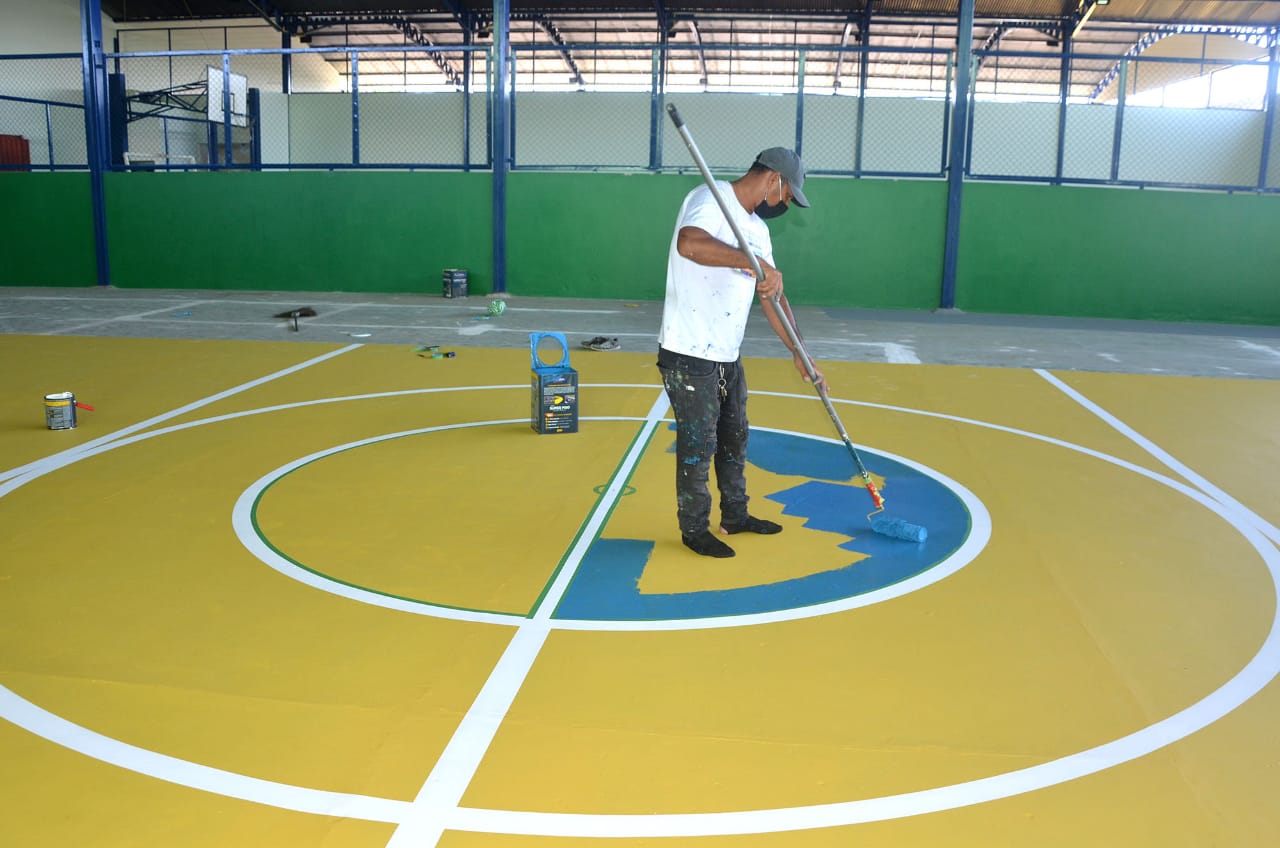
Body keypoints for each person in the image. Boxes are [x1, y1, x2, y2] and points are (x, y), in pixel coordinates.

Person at [656, 147, 825, 558]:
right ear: (773, 180)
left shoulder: (757, 231)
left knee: (734, 437)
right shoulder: (710, 198)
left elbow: (771, 295)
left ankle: (735, 514)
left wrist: (799, 350)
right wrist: (751, 262)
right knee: (699, 445)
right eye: (788, 195)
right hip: (688, 351)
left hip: (726, 353)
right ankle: (694, 529)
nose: (785, 205)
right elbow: (689, 243)